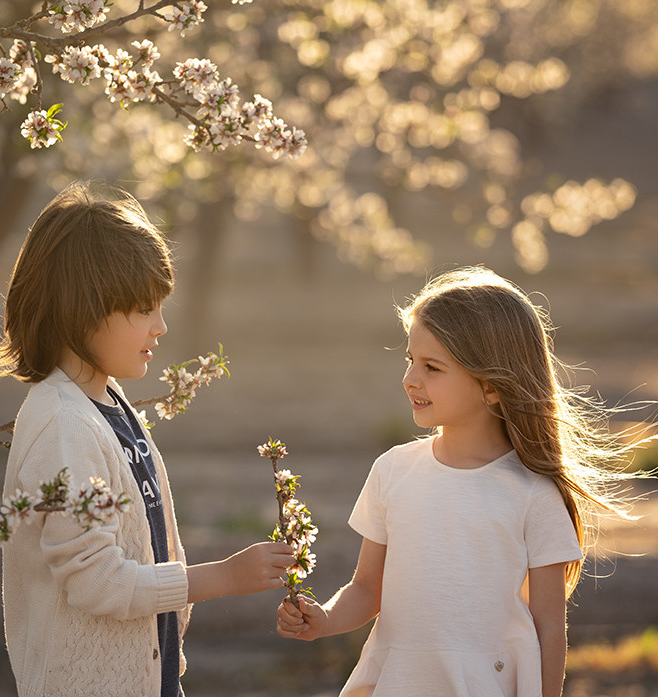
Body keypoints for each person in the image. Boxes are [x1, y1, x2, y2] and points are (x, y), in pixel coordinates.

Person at [0, 181, 295, 697]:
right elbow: (97, 580)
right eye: (143, 309)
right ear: (82, 308)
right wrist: (224, 576)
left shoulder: (108, 404)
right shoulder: (66, 426)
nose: (161, 327)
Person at [277, 266, 650, 697]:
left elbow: (549, 628)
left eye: (432, 367)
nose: (410, 379)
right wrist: (323, 618)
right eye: (410, 360)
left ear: (492, 387)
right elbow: (366, 589)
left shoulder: (533, 494)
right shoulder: (393, 470)